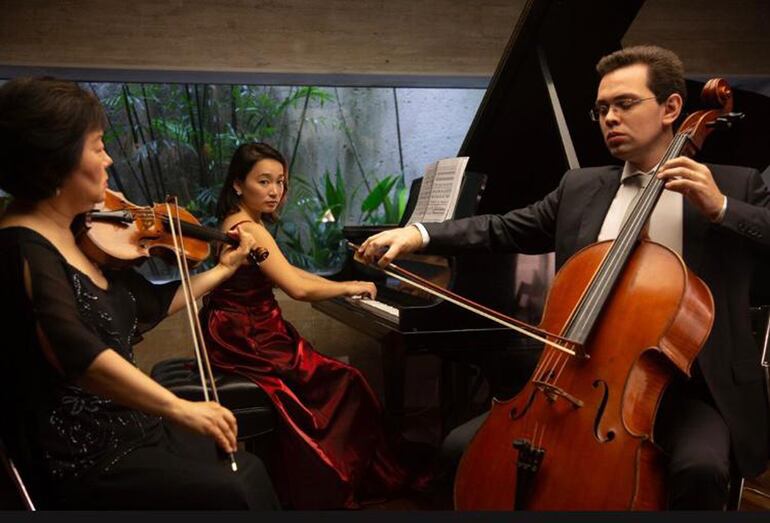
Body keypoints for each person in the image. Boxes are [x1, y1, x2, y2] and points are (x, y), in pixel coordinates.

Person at [358, 45, 770, 510]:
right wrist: (418, 234)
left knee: (700, 468)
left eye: (624, 104)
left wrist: (721, 208)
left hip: (693, 386)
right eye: (602, 109)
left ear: (671, 108)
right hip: (583, 380)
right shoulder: (580, 186)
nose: (609, 118)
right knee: (459, 448)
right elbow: (502, 227)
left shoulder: (735, 185)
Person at [0, 77, 279, 509]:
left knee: (238, 461)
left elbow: (150, 304)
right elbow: (77, 353)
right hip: (82, 452)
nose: (109, 159)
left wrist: (223, 270)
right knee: (236, 485)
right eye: (98, 147)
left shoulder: (74, 233)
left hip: (125, 422)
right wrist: (177, 407)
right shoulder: (22, 246)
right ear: (55, 160)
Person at [198, 142, 433, 509]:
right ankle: (341, 478)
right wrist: (348, 287)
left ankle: (354, 468)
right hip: (249, 337)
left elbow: (287, 271)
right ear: (238, 184)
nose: (275, 191)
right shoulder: (249, 228)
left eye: (280, 182)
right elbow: (297, 288)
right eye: (264, 181)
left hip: (241, 329)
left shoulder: (239, 220)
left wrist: (343, 284)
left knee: (337, 378)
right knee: (349, 381)